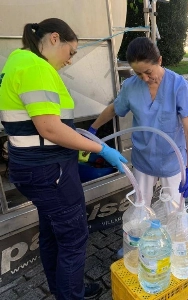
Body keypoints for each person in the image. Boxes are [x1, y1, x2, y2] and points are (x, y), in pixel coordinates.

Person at [0, 18, 128, 300]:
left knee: (51, 232)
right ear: (55, 38)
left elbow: (43, 126)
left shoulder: (17, 63)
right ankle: (71, 295)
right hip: (49, 171)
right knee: (73, 238)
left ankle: (67, 290)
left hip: (33, 166)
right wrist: (100, 149)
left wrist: (82, 139)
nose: (71, 61)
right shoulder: (36, 68)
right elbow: (49, 128)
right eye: (71, 52)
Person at [89, 37, 188, 207]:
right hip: (143, 158)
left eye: (148, 72)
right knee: (140, 209)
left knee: (175, 211)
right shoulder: (131, 86)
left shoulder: (179, 86)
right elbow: (113, 109)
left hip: (171, 159)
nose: (145, 78)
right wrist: (93, 129)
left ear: (160, 61)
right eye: (138, 73)